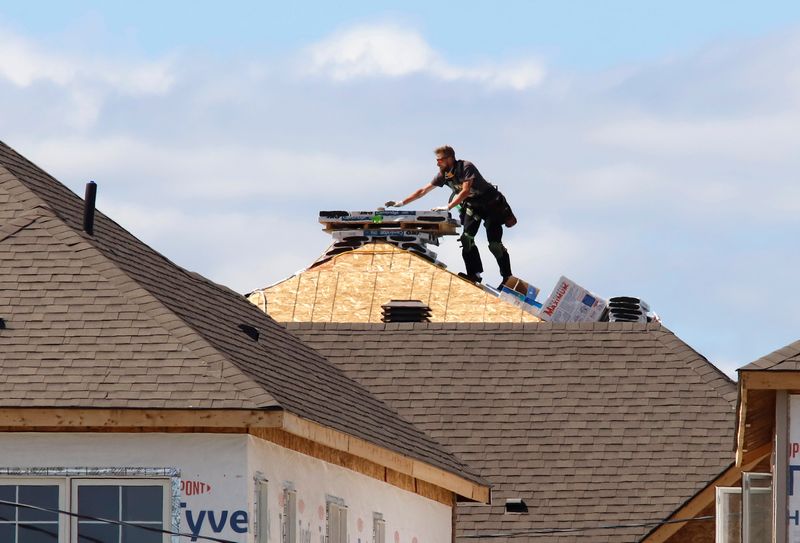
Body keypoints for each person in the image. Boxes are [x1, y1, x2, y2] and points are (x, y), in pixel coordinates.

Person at [385, 145, 516, 286]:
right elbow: (423, 190)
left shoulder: (466, 167)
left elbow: (465, 191)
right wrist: (401, 202)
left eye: (440, 160)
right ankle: (474, 275)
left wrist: (448, 206)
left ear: (450, 159)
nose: (437, 163)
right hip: (474, 207)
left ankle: (507, 278)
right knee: (466, 240)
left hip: (491, 206)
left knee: (494, 245)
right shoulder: (444, 174)